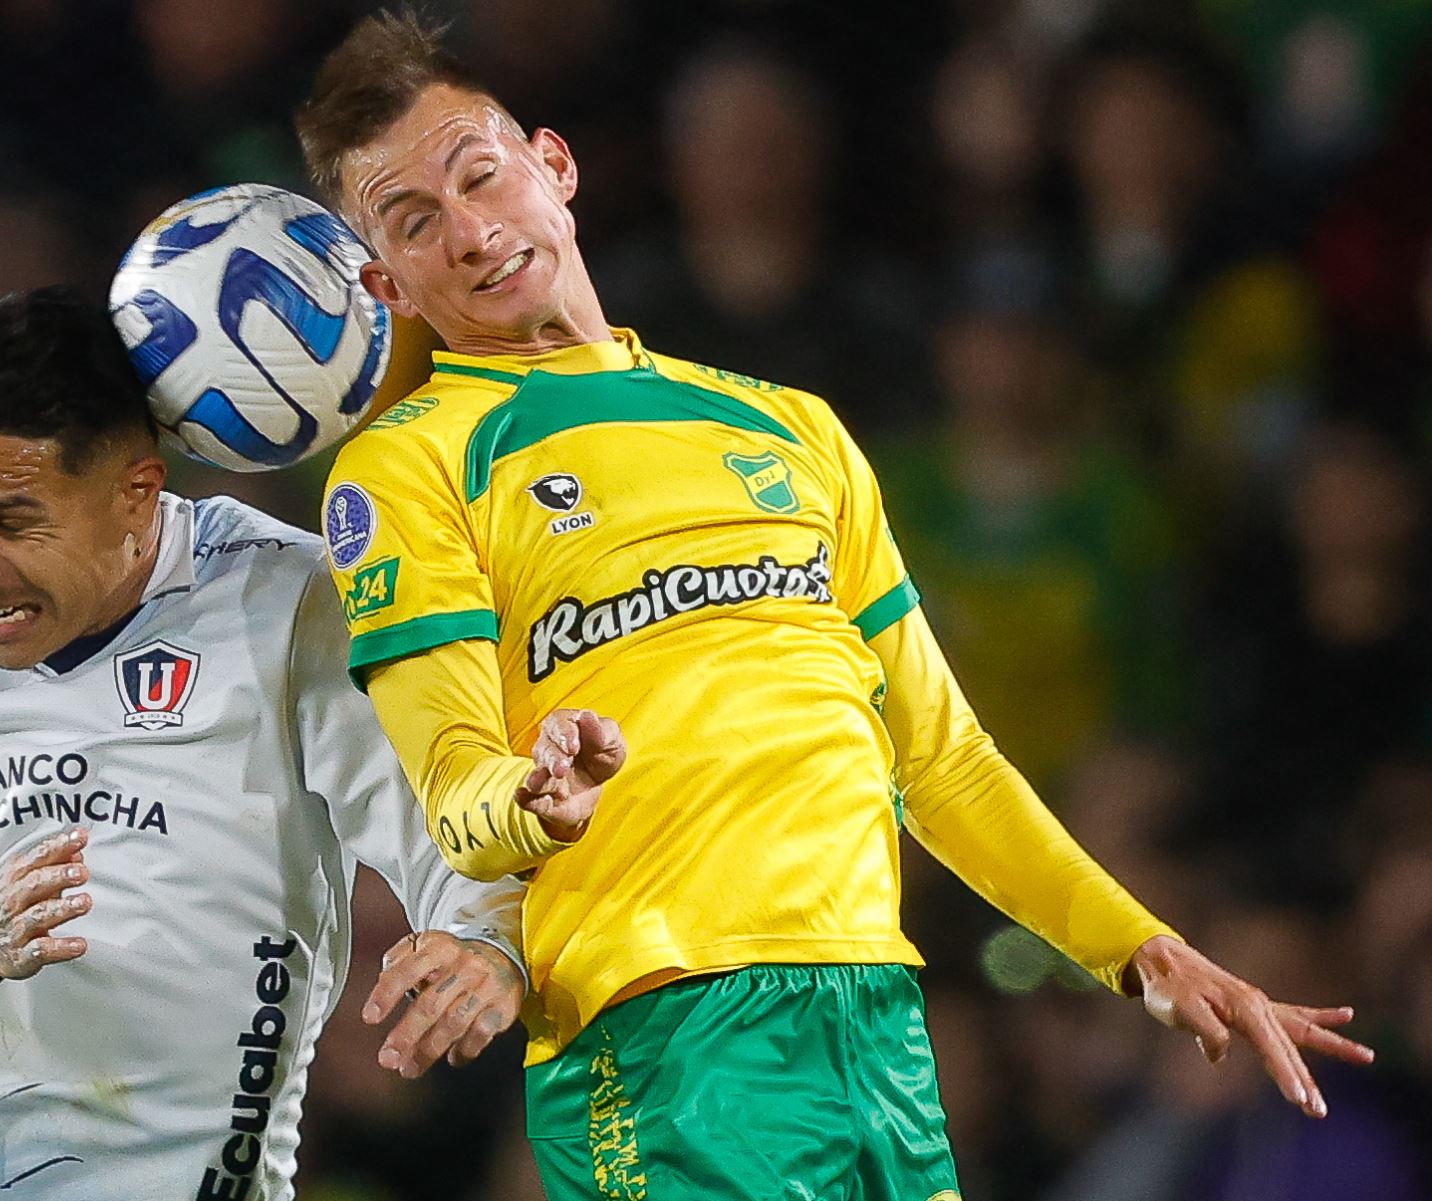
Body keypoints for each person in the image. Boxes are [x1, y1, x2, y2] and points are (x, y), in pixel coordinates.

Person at [294, 13, 1376, 1200]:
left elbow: (944, 760)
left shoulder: (790, 426)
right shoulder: (407, 467)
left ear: (553, 165)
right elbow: (455, 790)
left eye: (480, 176)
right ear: (385, 282)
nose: (472, 230)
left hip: (877, 1020)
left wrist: (1140, 948)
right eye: (415, 221)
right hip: (666, 1038)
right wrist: (537, 799)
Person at [0, 286, 527, 1201]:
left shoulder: (285, 604)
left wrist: (488, 944)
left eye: (11, 522)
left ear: (137, 492)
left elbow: (462, 841)